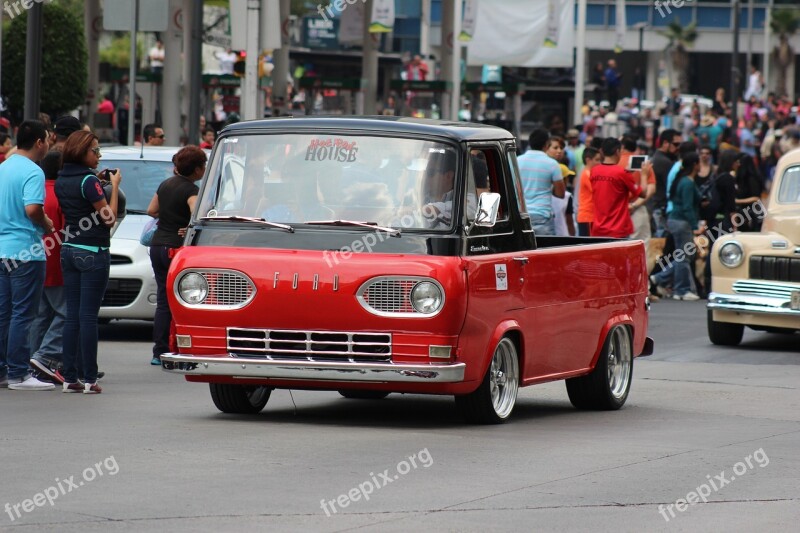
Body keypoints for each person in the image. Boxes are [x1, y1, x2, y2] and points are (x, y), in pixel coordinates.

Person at [56, 131, 122, 394]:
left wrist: (97, 181)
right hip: (93, 251)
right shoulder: (88, 182)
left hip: (69, 249)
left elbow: (80, 206)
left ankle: (69, 377)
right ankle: (90, 378)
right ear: (82, 152)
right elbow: (109, 218)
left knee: (72, 315)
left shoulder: (63, 178)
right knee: (88, 316)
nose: (98, 155)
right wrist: (113, 186)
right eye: (95, 150)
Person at [0, 120, 55, 391]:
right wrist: (46, 224)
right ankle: (19, 374)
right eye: (48, 139)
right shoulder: (33, 171)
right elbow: (33, 209)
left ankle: (2, 370)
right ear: (39, 142)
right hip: (26, 250)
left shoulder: (3, 167)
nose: (49, 144)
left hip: (2, 250)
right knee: (23, 314)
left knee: (4, 313)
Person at [146, 146, 206, 366]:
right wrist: (188, 226)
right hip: (175, 249)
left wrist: (169, 216)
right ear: (197, 168)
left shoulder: (165, 185)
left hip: (157, 246)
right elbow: (196, 215)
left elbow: (151, 210)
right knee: (184, 300)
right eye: (204, 165)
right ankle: (183, 348)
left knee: (163, 300)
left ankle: (158, 351)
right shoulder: (192, 190)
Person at [27, 150, 67, 384]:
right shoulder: (60, 194)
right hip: (54, 258)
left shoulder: (38, 191)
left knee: (40, 314)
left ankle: (32, 360)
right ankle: (45, 355)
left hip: (34, 253)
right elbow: (66, 231)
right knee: (66, 312)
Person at [651, 152, 702, 301]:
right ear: (695, 165)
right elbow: (687, 207)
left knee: (684, 255)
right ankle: (681, 289)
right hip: (681, 222)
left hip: (675, 220)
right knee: (684, 256)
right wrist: (694, 226)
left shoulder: (681, 181)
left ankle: (660, 278)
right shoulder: (687, 182)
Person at [589, 137, 649, 238]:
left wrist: (626, 173)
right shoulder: (622, 173)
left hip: (598, 228)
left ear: (602, 151)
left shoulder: (594, 171)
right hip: (618, 230)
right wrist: (644, 175)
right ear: (617, 151)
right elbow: (642, 193)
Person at [517, 129, 565, 236]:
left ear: (529, 142)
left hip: (520, 215)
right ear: (546, 144)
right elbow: (560, 193)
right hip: (542, 216)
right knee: (545, 251)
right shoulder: (552, 164)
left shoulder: (516, 161)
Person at [618, 136, 655, 241]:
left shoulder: (613, 163)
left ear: (622, 146)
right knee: (641, 243)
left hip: (616, 212)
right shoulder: (642, 162)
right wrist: (634, 205)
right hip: (637, 209)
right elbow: (651, 188)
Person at [649, 129, 682, 237]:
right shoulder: (664, 162)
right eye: (676, 144)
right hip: (662, 208)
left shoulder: (660, 158)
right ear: (665, 143)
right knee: (663, 241)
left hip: (659, 207)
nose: (678, 148)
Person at [576, 146, 602, 236]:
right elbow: (597, 191)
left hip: (590, 217)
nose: (599, 163)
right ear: (588, 160)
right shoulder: (587, 174)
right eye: (597, 160)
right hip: (588, 217)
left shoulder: (589, 173)